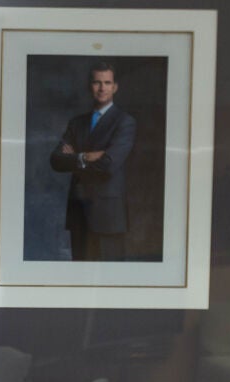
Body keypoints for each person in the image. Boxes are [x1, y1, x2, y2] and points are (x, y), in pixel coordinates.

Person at [50, 61, 136, 261]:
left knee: (110, 276)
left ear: (115, 87)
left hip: (108, 216)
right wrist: (85, 156)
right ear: (90, 86)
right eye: (97, 82)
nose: (102, 88)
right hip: (79, 212)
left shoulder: (125, 122)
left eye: (107, 83)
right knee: (80, 275)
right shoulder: (77, 123)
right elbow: (56, 160)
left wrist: (74, 157)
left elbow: (108, 165)